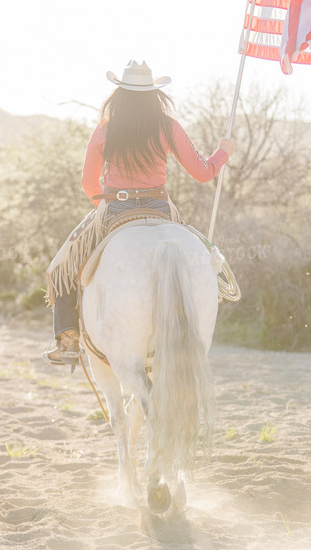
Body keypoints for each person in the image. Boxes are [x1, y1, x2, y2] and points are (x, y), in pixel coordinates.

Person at [43, 60, 235, 367]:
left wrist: (102, 207)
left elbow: (87, 181)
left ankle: (68, 340)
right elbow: (202, 172)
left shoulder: (106, 129)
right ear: (155, 95)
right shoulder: (168, 126)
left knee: (63, 266)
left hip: (114, 207)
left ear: (119, 93)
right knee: (200, 257)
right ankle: (208, 301)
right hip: (160, 206)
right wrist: (222, 152)